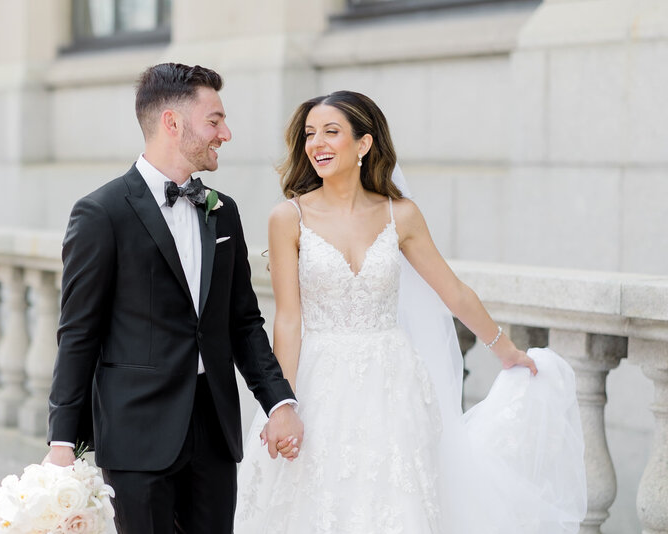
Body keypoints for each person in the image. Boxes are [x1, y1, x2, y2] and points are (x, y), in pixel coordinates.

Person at [234, 91, 586, 533]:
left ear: (363, 144)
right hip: (318, 380)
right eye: (309, 134)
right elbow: (287, 319)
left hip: (392, 386)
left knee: (394, 504)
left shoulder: (401, 214)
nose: (316, 144)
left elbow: (453, 291)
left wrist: (506, 349)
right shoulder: (288, 217)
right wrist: (280, 405)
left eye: (331, 132)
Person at [43, 63, 304, 534]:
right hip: (137, 431)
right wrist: (63, 440)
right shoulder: (101, 213)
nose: (226, 133)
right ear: (172, 123)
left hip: (215, 425)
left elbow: (243, 321)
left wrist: (279, 403)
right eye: (214, 120)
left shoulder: (223, 212)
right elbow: (78, 333)